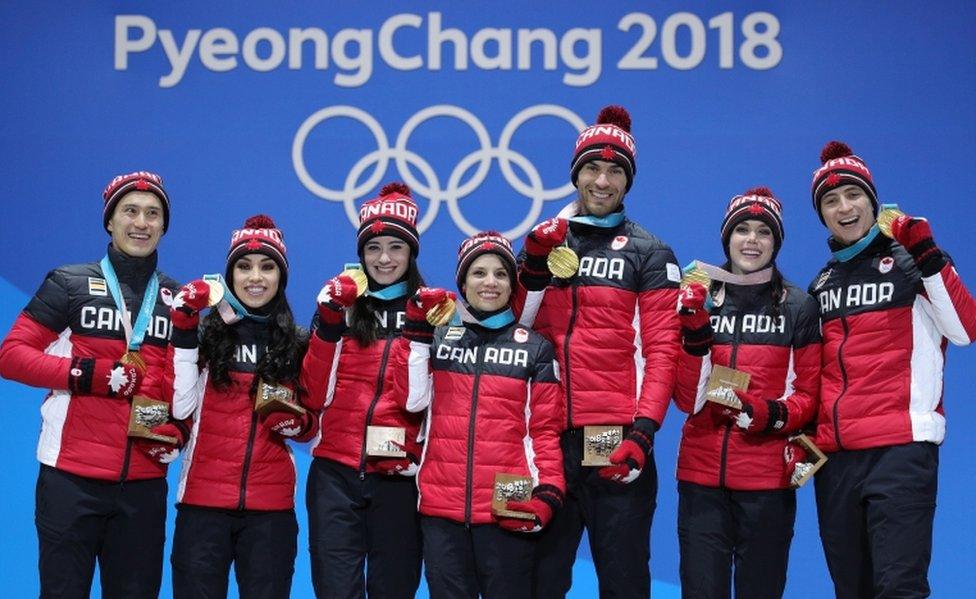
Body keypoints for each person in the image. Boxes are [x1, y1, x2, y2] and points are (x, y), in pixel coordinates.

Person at [518, 105, 681, 597]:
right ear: (575, 175)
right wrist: (533, 265)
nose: (603, 181)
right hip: (548, 445)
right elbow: (516, 326)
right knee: (539, 583)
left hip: (618, 441)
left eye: (615, 171)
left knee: (625, 583)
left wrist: (645, 433)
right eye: (592, 168)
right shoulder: (546, 242)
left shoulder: (649, 253)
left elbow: (663, 352)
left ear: (628, 182)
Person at [0, 171, 183, 597]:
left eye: (153, 214)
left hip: (142, 484)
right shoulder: (68, 283)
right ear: (109, 221)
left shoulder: (177, 299)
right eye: (130, 211)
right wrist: (85, 375)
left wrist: (181, 429)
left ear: (163, 226)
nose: (141, 222)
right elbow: (11, 356)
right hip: (70, 480)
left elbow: (182, 385)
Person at [808, 141, 976, 598]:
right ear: (821, 214)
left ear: (873, 200)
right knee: (853, 590)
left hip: (899, 450)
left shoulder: (914, 262)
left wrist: (927, 253)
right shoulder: (822, 283)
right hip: (836, 461)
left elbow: (964, 329)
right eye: (830, 200)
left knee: (899, 588)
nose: (844, 208)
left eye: (853, 195)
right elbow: (815, 374)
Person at [394, 231, 564, 599]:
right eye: (478, 273)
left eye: (501, 274)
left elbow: (544, 432)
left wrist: (548, 492)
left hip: (509, 506)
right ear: (462, 282)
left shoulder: (536, 348)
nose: (490, 282)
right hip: (441, 509)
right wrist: (417, 335)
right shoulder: (438, 338)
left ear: (511, 283)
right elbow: (410, 401)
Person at [672, 187, 821, 599]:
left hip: (767, 482)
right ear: (727, 237)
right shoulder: (698, 299)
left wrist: (769, 413)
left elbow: (810, 396)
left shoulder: (799, 306)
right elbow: (686, 399)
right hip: (701, 480)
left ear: (776, 242)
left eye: (763, 232)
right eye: (742, 229)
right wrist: (696, 331)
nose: (752, 240)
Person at [166, 214, 316, 598]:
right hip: (202, 506)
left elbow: (315, 427)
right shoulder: (202, 334)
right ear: (229, 275)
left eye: (267, 267)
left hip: (270, 512)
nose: (255, 277)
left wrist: (299, 425)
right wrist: (184, 330)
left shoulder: (298, 342)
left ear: (281, 278)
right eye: (244, 266)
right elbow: (179, 405)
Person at [301, 182, 425, 598]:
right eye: (373, 248)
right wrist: (329, 323)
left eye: (396, 247)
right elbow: (313, 394)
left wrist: (416, 452)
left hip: (400, 478)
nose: (385, 258)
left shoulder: (432, 312)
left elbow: (438, 403)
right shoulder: (340, 306)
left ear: (412, 253)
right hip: (334, 473)